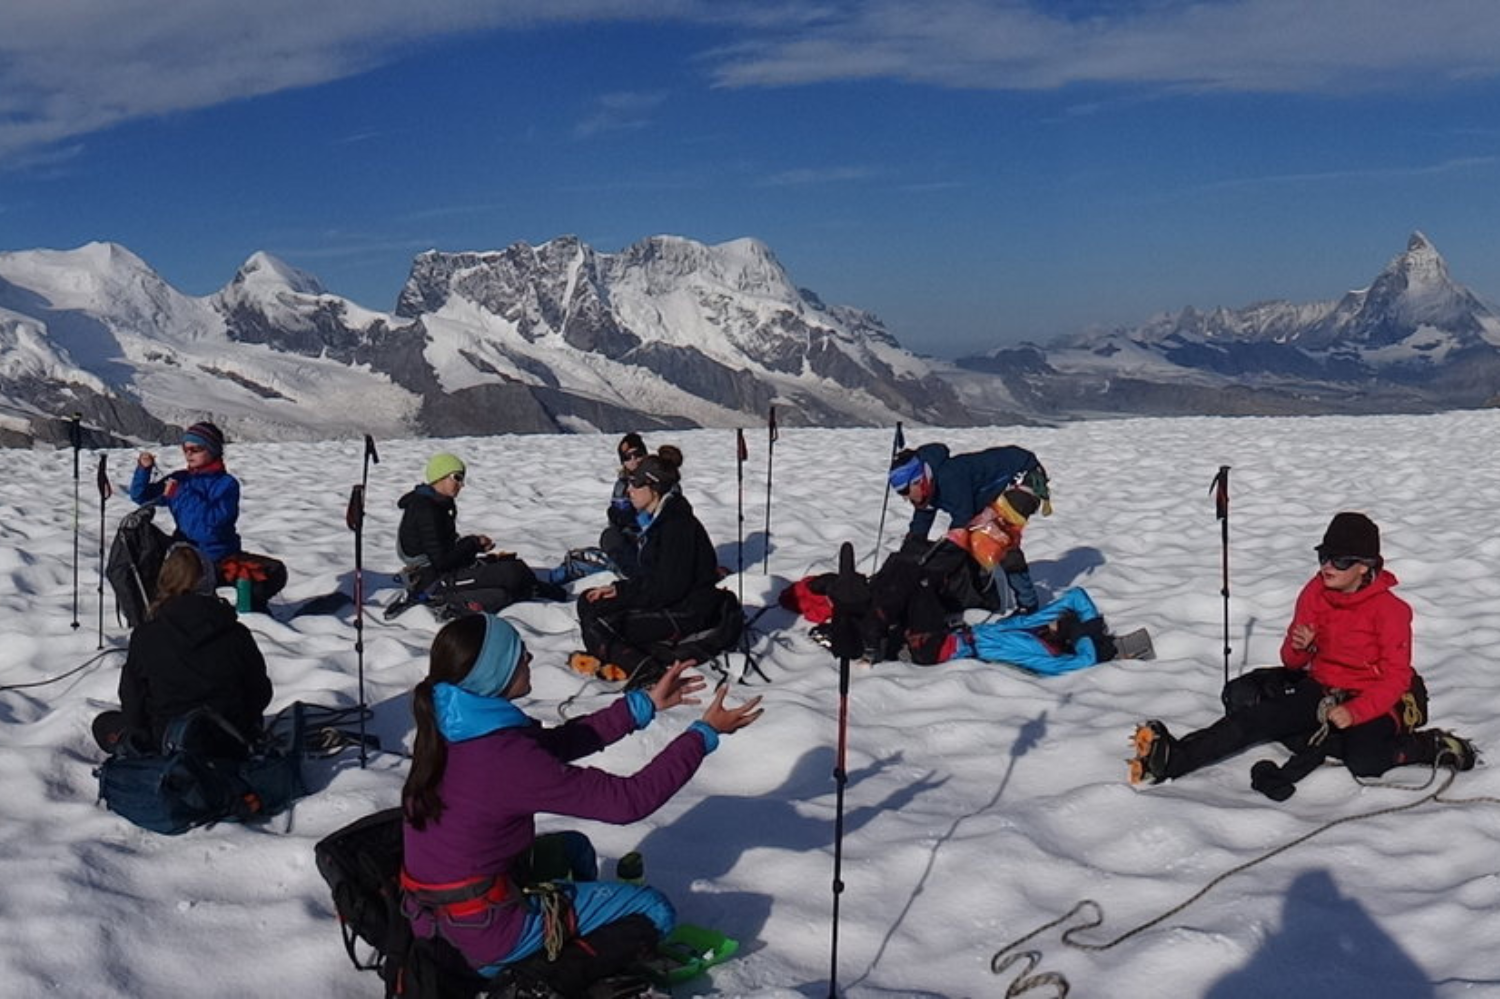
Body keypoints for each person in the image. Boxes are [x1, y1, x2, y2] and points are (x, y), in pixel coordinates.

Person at [400, 614, 761, 993]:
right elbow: (628, 802)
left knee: (574, 849)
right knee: (653, 910)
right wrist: (703, 734)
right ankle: (532, 978)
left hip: (434, 917)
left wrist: (645, 704)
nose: (529, 657)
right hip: (481, 934)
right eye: (519, 654)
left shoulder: (453, 723)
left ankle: (568, 936)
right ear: (495, 674)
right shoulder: (503, 757)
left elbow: (555, 746)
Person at [1130, 512, 1477, 798]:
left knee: (1366, 761)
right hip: (1323, 687)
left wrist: (1355, 712)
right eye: (1323, 556)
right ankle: (1173, 759)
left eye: (1339, 560)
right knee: (1254, 720)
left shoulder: (1391, 611)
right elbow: (1291, 662)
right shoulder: (1315, 592)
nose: (1327, 566)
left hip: (1377, 695)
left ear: (1364, 567)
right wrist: (1302, 646)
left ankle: (1429, 745)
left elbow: (1396, 678)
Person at [572, 451, 736, 688]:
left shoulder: (676, 526)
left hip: (689, 611)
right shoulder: (663, 519)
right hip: (673, 602)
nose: (629, 490)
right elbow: (654, 578)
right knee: (589, 602)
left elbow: (668, 589)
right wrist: (619, 590)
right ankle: (626, 655)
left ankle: (648, 672)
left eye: (636, 484)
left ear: (654, 487)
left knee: (602, 621)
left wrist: (624, 594)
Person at [93, 545, 273, 756]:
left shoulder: (147, 636)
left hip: (169, 745)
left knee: (105, 724)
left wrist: (141, 735)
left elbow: (133, 700)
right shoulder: (235, 632)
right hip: (232, 741)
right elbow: (260, 692)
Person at [128, 421, 287, 612]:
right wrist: (143, 470)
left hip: (220, 558)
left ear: (212, 450)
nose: (189, 454)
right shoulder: (180, 479)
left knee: (273, 572)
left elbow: (210, 528)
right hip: (187, 559)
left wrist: (181, 493)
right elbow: (141, 496)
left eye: (195, 449)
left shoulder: (226, 484)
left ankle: (250, 612)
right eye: (185, 449)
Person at [889, 442, 1049, 616]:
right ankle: (982, 598)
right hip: (993, 492)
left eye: (905, 491)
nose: (906, 498)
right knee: (978, 540)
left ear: (918, 480)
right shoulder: (928, 487)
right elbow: (921, 524)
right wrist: (907, 557)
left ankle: (1028, 605)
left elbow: (961, 521)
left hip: (1025, 475)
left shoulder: (949, 477)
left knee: (994, 538)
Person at [396, 452, 566, 616]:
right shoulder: (426, 509)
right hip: (432, 580)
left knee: (511, 569)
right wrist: (472, 543)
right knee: (510, 575)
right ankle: (446, 602)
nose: (462, 485)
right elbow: (441, 561)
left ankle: (539, 590)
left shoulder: (437, 505)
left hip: (441, 573)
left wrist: (473, 546)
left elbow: (444, 550)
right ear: (440, 476)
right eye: (457, 477)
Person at [903, 587, 1153, 674]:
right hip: (951, 639)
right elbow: (1077, 598)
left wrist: (1081, 632)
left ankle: (1106, 647)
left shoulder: (1042, 653)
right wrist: (1084, 630)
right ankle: (1105, 645)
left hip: (946, 648)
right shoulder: (1036, 630)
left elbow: (1083, 662)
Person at [600, 433, 649, 577]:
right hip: (629, 540)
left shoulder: (658, 479)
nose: (633, 460)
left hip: (654, 539)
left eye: (637, 454)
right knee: (610, 537)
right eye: (627, 457)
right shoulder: (621, 486)